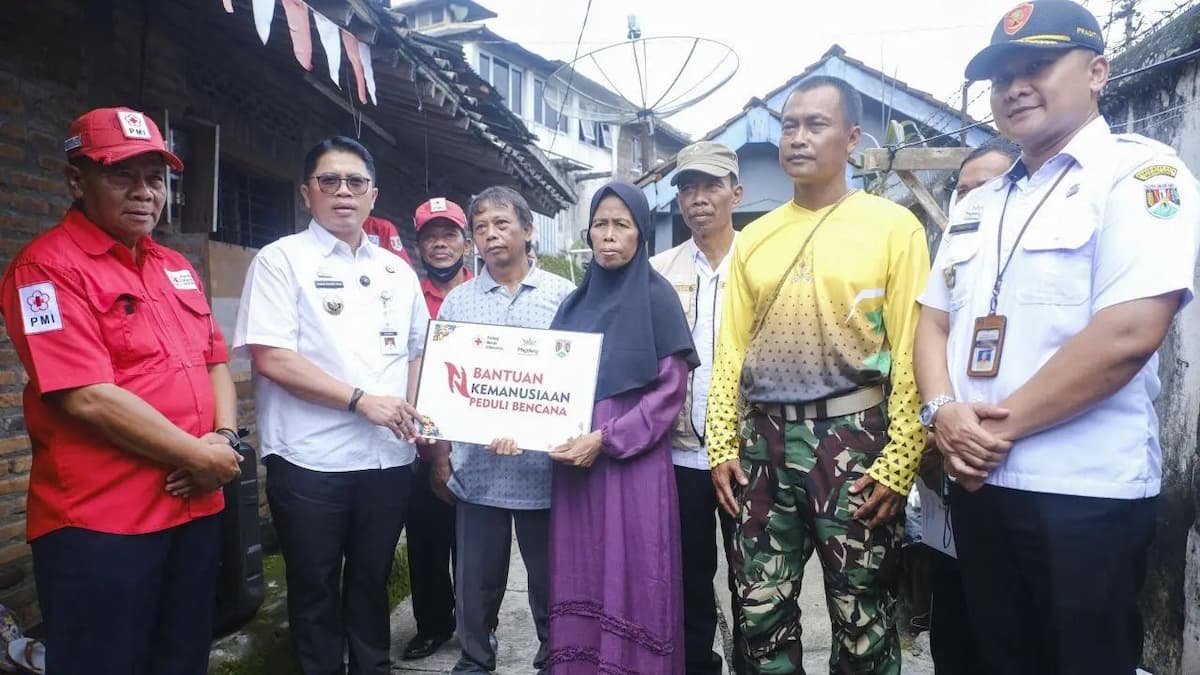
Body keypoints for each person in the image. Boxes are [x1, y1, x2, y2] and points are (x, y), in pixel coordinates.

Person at [914, 2, 1200, 673]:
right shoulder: (980, 202)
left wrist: (988, 431)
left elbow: (1128, 333)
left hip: (1082, 493)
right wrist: (942, 411)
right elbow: (932, 320)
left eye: (1037, 66)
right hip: (980, 485)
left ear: (1097, 72)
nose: (1015, 87)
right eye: (1001, 76)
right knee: (993, 658)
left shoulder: (1139, 176)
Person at [0, 107, 242, 675]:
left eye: (155, 178)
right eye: (121, 175)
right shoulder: (45, 270)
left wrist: (225, 439)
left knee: (182, 659)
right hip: (104, 523)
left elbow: (214, 361)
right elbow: (84, 395)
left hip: (194, 506)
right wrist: (201, 456)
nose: (144, 193)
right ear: (76, 181)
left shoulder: (174, 266)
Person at [706, 76, 930, 674]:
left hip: (853, 440)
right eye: (789, 126)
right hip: (761, 443)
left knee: (863, 615)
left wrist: (901, 457)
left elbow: (911, 350)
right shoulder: (754, 238)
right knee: (758, 610)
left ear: (852, 138)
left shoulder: (893, 228)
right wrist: (722, 443)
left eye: (815, 125)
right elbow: (731, 351)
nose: (798, 138)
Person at [234, 136, 429, 675]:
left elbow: (418, 352)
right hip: (309, 461)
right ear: (307, 193)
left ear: (373, 196)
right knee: (314, 586)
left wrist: (413, 411)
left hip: (387, 460)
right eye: (329, 181)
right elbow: (273, 358)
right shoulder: (280, 261)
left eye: (356, 182)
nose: (343, 192)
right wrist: (360, 401)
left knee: (370, 581)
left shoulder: (397, 271)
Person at [546, 182, 699, 674]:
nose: (608, 235)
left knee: (635, 567)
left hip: (633, 465)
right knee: (582, 566)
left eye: (621, 224)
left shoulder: (658, 299)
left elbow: (669, 393)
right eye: (600, 224)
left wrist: (606, 439)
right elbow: (544, 386)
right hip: (576, 470)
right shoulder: (572, 306)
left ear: (640, 233)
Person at [428, 186, 575, 674]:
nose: (490, 235)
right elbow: (442, 388)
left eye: (502, 224)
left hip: (545, 472)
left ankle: (555, 658)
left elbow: (577, 381)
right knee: (476, 579)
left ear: (528, 230)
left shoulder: (563, 297)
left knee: (551, 577)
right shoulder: (458, 303)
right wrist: (442, 456)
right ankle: (474, 658)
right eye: (481, 227)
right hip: (478, 469)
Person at [915, 137, 1019, 675]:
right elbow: (928, 333)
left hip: (1025, 467)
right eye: (963, 189)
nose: (974, 199)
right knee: (955, 628)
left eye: (988, 186)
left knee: (1020, 635)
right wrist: (938, 415)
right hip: (953, 468)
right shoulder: (952, 254)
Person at [649, 141, 746, 675]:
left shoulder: (762, 263)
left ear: (737, 193)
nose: (699, 198)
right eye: (688, 188)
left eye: (711, 186)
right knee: (687, 576)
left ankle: (754, 663)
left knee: (755, 577)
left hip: (748, 455)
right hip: (679, 453)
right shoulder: (658, 272)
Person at [402, 196, 472, 661]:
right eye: (431, 237)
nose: (440, 244)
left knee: (475, 547)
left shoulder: (484, 292)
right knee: (427, 541)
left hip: (476, 445)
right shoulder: (405, 296)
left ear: (465, 242)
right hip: (422, 445)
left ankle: (477, 627)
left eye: (449, 235)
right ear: (419, 245)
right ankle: (432, 625)